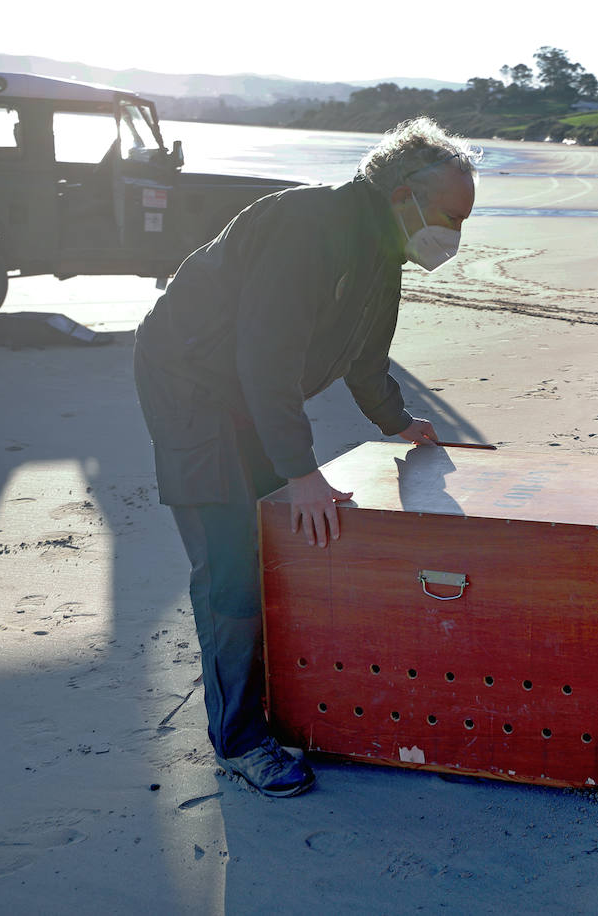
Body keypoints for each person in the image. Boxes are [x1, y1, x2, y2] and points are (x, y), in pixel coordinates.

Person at [133, 118, 479, 797]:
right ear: (404, 194)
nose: (454, 236)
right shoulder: (308, 225)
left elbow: (366, 355)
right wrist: (301, 474)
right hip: (193, 386)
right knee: (231, 561)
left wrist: (398, 421)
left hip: (249, 390)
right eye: (450, 216)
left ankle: (280, 702)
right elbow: (266, 360)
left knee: (277, 549)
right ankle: (239, 741)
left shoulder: (384, 248)